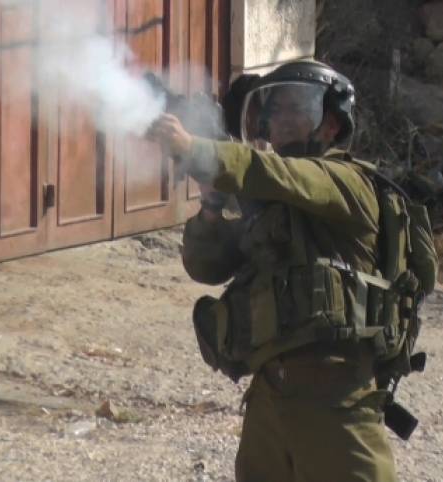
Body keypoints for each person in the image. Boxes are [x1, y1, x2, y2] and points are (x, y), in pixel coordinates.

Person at [149, 60, 407, 482]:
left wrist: (196, 148)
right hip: (270, 389)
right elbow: (205, 266)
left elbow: (273, 172)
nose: (282, 120)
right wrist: (212, 204)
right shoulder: (270, 197)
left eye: (296, 108)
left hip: (336, 395)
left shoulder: (346, 180)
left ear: (332, 124)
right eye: (275, 110)